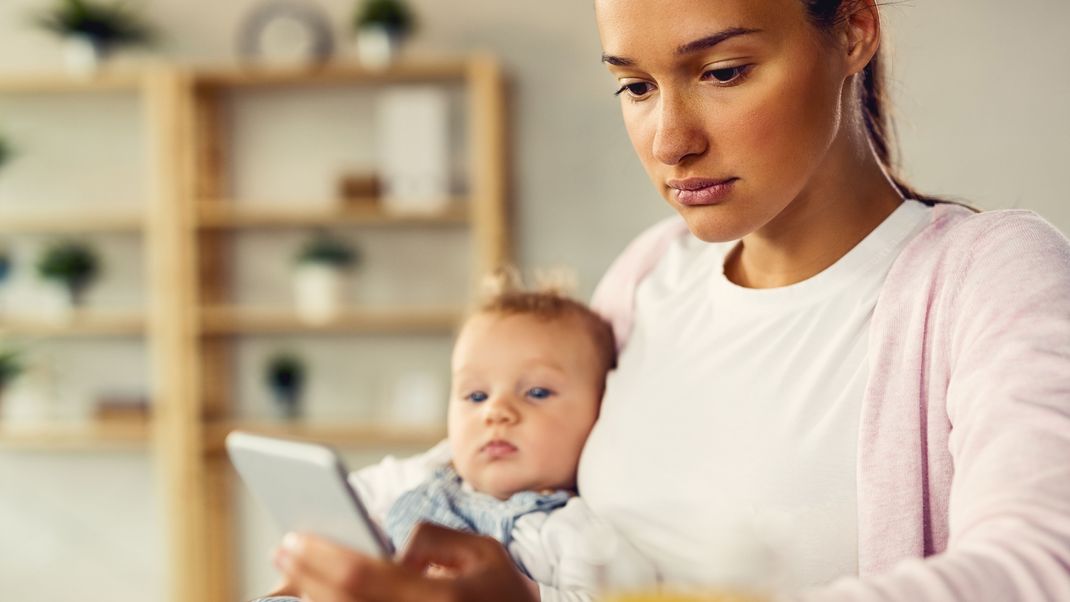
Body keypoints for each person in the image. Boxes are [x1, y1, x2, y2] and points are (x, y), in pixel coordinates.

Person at [270, 0, 1070, 600]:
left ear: (855, 31)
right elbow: (496, 452)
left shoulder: (986, 278)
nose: (670, 139)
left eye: (721, 73)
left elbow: (1037, 567)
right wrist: (368, 545)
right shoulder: (655, 272)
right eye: (636, 86)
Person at [260, 277, 657, 601]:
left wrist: (529, 594)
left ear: (601, 411)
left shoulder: (579, 536)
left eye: (537, 392)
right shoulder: (422, 481)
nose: (495, 412)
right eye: (476, 396)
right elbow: (341, 510)